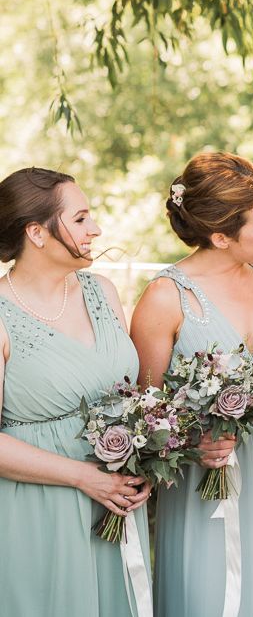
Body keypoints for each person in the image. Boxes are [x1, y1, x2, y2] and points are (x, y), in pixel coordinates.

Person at [131, 152, 253, 617]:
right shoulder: (166, 298)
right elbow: (146, 417)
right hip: (206, 481)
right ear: (220, 237)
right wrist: (192, 443)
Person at [0, 167, 151, 615]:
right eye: (81, 218)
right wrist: (86, 478)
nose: (96, 229)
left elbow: (133, 399)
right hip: (39, 506)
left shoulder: (102, 290)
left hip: (117, 502)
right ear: (37, 233)